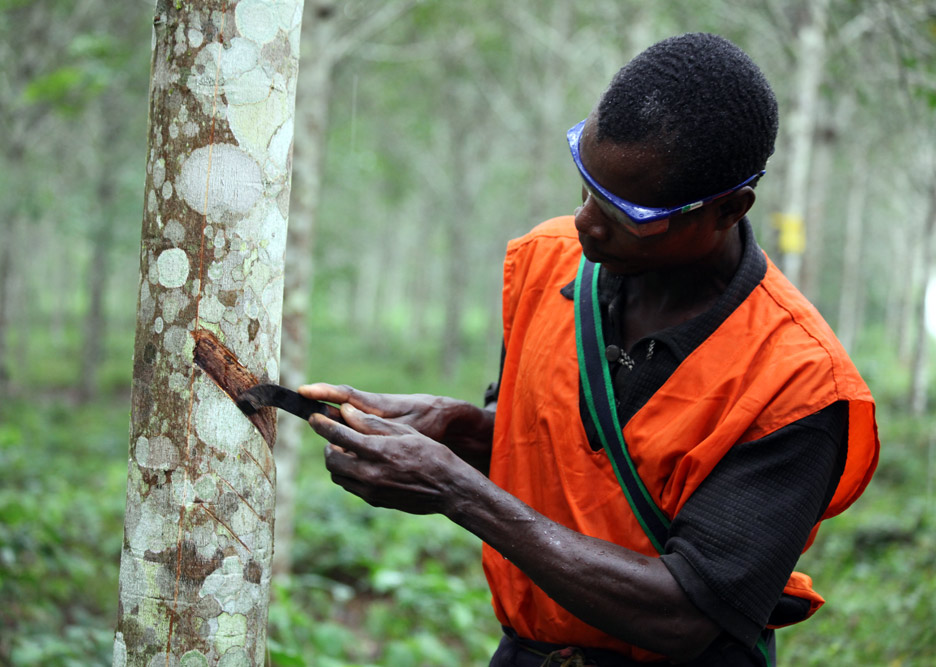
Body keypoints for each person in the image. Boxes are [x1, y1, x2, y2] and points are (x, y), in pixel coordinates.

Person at [298, 33, 880, 666]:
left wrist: (455, 490)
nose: (585, 223)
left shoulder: (800, 384)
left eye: (628, 212)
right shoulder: (546, 264)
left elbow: (686, 612)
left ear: (727, 210)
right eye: (587, 185)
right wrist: (462, 431)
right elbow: (580, 462)